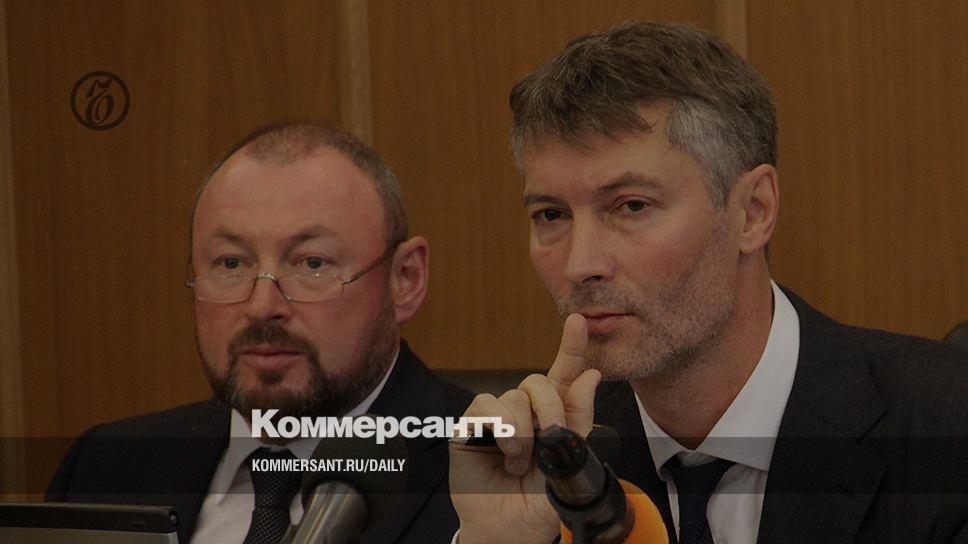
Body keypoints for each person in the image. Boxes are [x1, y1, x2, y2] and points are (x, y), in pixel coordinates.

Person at [450, 21, 968, 544]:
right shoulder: (557, 459)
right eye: (550, 214)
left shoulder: (945, 427)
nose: (579, 264)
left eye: (631, 206)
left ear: (752, 211)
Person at [47, 122, 473, 543]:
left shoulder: (489, 474)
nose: (262, 307)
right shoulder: (106, 469)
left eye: (312, 263)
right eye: (231, 263)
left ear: (405, 279)